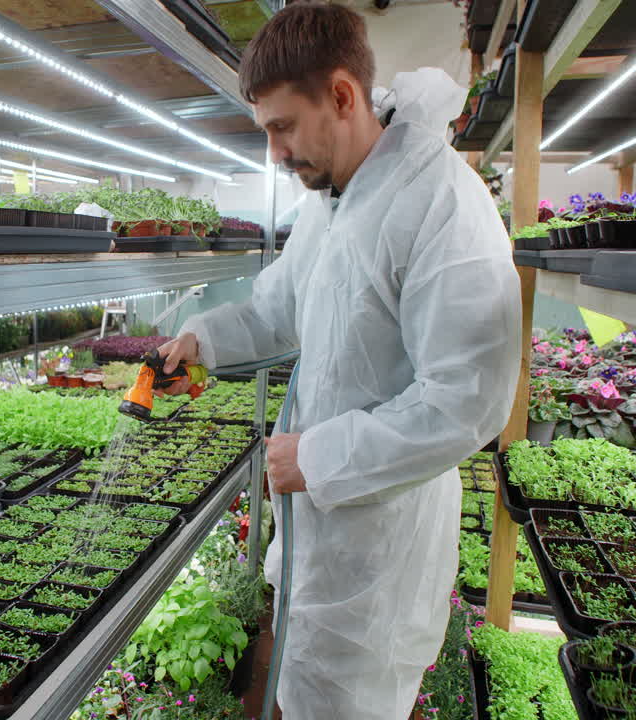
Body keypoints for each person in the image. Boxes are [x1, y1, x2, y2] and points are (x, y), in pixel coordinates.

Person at [155, 4, 522, 719]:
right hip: (319, 537)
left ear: (344, 97)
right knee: (305, 689)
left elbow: (466, 399)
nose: (274, 153)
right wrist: (202, 338)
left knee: (355, 702)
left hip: (377, 554)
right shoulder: (333, 203)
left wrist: (318, 458)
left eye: (282, 127)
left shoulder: (440, 202)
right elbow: (275, 310)